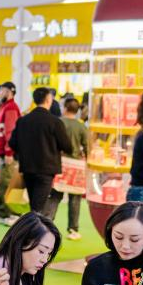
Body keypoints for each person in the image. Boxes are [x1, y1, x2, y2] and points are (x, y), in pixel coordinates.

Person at [9, 87, 72, 218]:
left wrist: (24, 153)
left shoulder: (23, 120)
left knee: (34, 203)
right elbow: (67, 146)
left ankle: (34, 227)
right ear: (48, 100)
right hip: (47, 169)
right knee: (38, 207)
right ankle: (35, 229)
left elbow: (12, 143)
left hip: (27, 167)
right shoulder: (55, 122)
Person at [0, 81, 22, 225]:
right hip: (4, 152)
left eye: (2, 91)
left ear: (9, 92)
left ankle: (10, 214)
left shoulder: (11, 108)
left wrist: (8, 152)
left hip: (8, 154)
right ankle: (2, 213)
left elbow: (10, 132)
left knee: (7, 183)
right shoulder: (5, 107)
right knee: (3, 183)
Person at [59, 97, 88, 240]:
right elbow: (87, 145)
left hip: (59, 163)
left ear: (65, 108)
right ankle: (73, 229)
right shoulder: (81, 126)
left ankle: (46, 222)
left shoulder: (58, 122)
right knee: (75, 197)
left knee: (54, 196)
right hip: (76, 165)